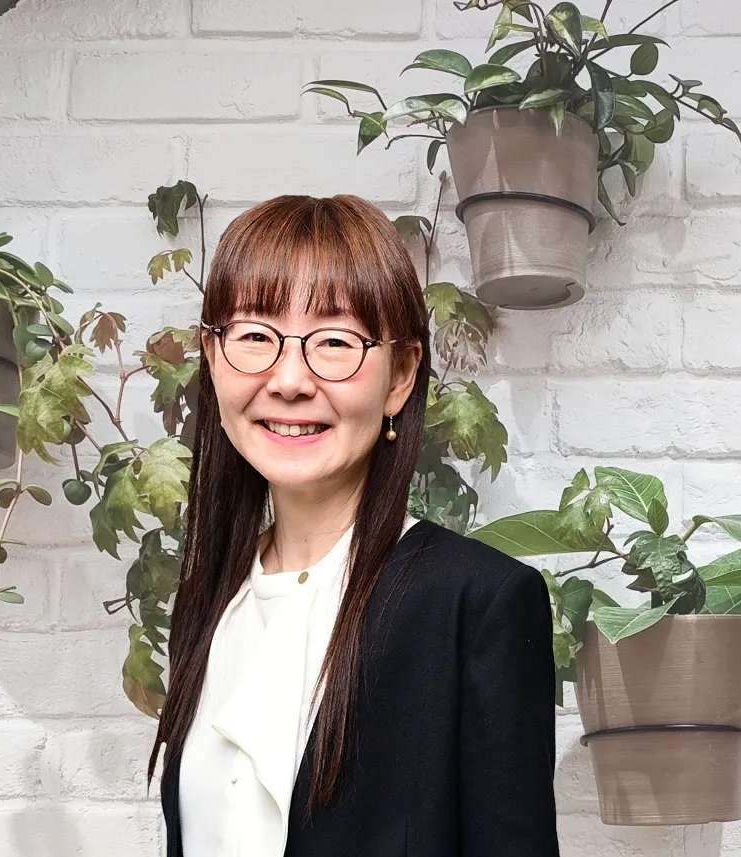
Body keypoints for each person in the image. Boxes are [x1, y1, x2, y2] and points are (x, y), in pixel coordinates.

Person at [148, 194, 560, 857]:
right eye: (254, 336)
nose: (288, 380)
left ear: (400, 374)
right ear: (212, 356)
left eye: (335, 343)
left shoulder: (474, 602)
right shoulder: (213, 597)